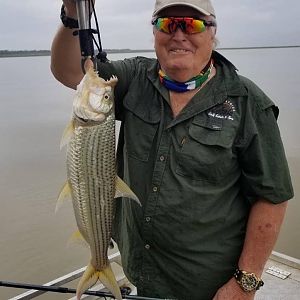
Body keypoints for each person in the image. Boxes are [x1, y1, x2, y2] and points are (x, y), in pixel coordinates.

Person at [51, 0, 294, 299]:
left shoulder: (247, 103)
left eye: (192, 24)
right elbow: (68, 72)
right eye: (167, 23)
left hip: (208, 286)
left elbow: (272, 197)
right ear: (154, 32)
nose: (179, 34)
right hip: (140, 273)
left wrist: (245, 282)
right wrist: (73, 13)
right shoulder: (134, 78)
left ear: (212, 32)